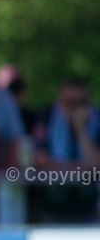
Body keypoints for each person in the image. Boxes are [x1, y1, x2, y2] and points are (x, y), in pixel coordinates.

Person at [33, 77, 100, 222]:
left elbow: (96, 163)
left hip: (88, 206)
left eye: (81, 103)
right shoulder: (47, 116)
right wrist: (82, 171)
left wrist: (81, 128)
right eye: (71, 103)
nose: (76, 107)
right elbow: (41, 161)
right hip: (53, 204)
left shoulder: (96, 119)